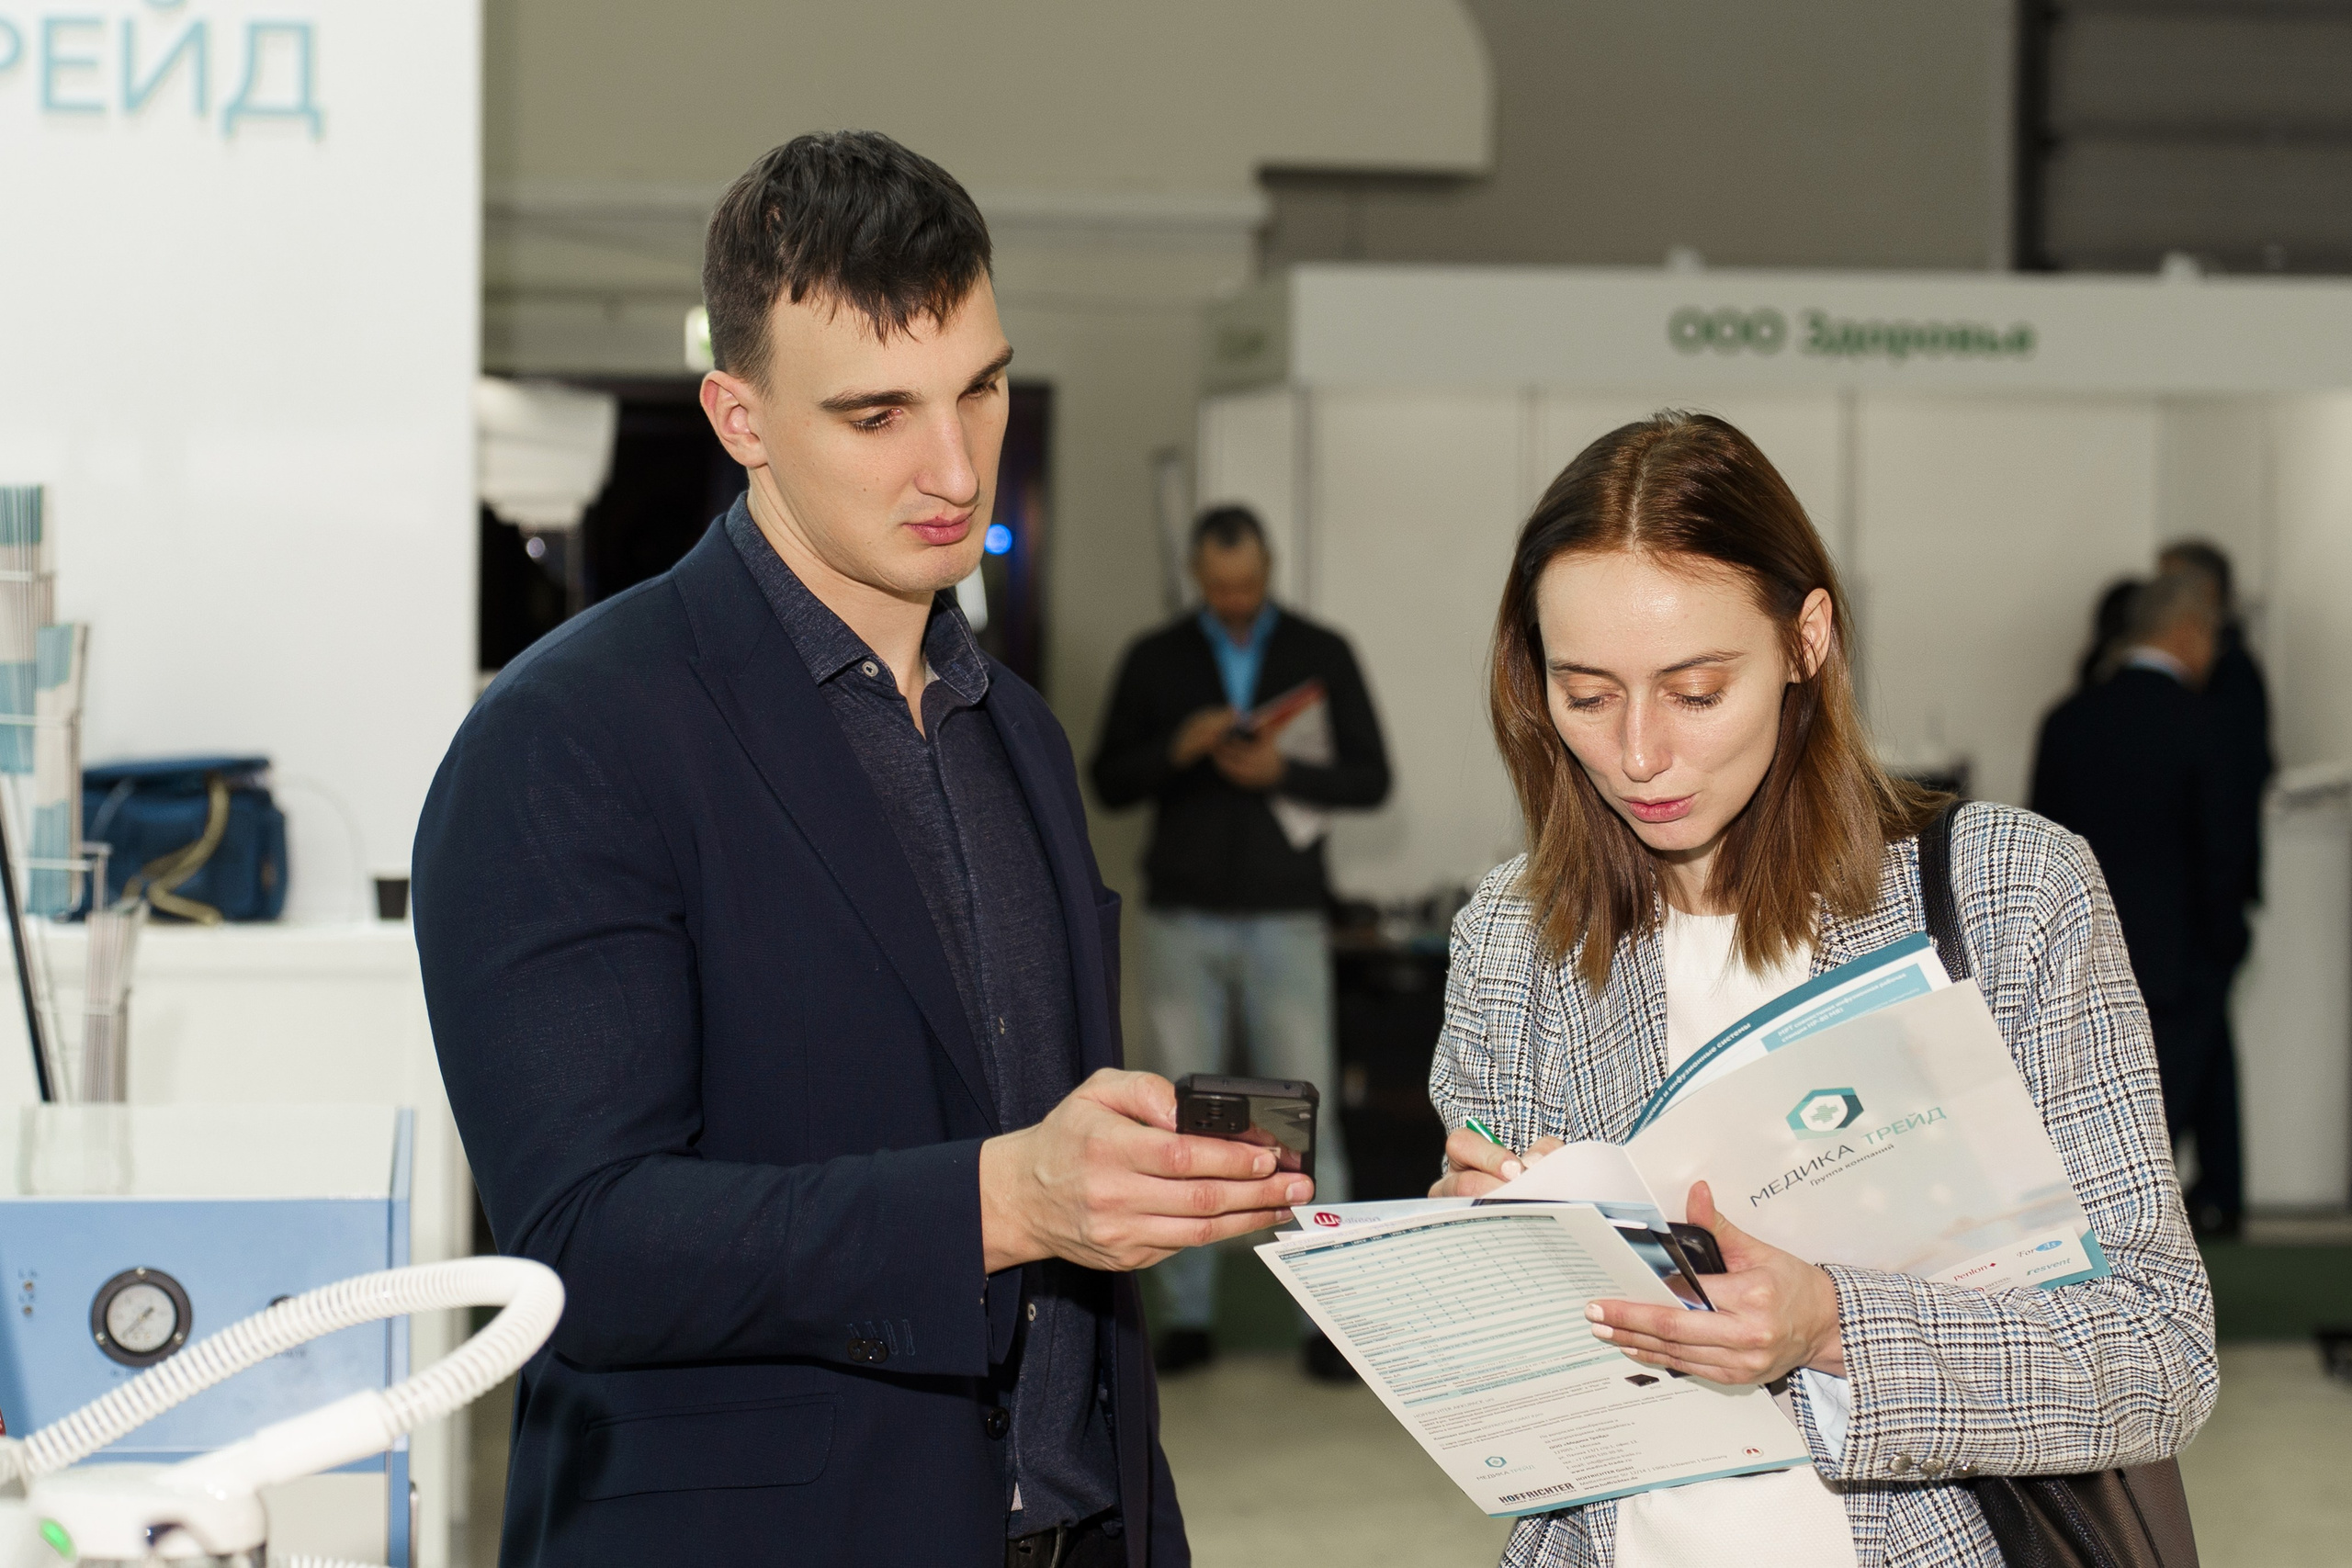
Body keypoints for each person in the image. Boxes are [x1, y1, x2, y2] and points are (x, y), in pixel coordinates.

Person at [413, 132, 1311, 1568]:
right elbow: (587, 1237)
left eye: (981, 388)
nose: (955, 466)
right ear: (740, 417)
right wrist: (1005, 1199)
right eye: (878, 412)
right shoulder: (567, 736)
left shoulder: (1017, 732)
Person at [1430, 412, 2214, 1566]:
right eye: (1586, 696)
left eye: (1697, 691)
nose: (1638, 754)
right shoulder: (1513, 940)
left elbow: (2158, 1356)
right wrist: (1480, 1266)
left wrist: (1829, 1324)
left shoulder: (2008, 895)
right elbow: (1512, 1413)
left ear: (1806, 640)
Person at [1091, 505, 1390, 1377]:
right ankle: (1186, 1314)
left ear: (1270, 568)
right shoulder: (1156, 656)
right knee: (1184, 1121)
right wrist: (1176, 748)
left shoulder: (1321, 650)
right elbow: (1107, 778)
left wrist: (1283, 771)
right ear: (1197, 575)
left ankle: (1327, 1323)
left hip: (1287, 916)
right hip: (1180, 919)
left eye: (1248, 584)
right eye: (1220, 587)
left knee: (1307, 1120)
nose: (1234, 598)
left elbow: (1372, 777)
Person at [2032, 571, 2257, 1234]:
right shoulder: (2208, 723)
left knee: (2090, 1115)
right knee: (2167, 1113)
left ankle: (2094, 1238)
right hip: (2181, 957)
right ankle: (2190, 1228)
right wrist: (2226, 943)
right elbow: (2225, 851)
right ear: (2187, 630)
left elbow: (2042, 842)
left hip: (2079, 951)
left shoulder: (2067, 720)